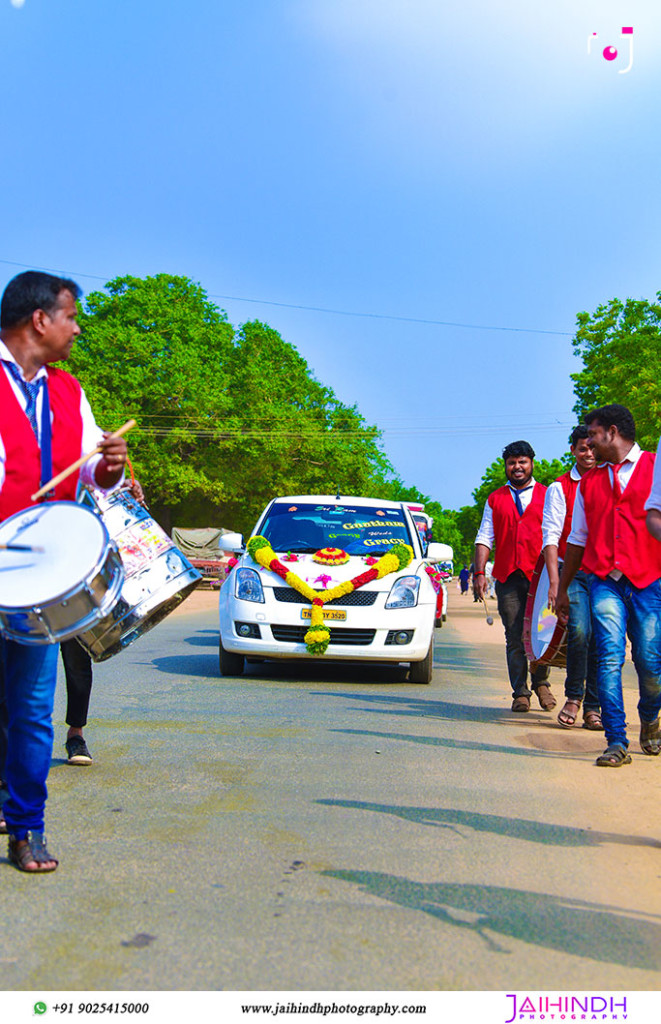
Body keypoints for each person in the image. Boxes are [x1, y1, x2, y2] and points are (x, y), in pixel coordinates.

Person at [0, 271, 127, 869]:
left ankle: (26, 827)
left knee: (28, 707)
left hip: (40, 581)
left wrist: (108, 468)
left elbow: (88, 477)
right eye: (71, 316)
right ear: (39, 321)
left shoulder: (68, 392)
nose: (77, 328)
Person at [556, 404, 661, 767]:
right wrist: (563, 588)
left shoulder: (655, 466)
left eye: (594, 432)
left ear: (612, 433)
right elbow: (577, 539)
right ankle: (616, 740)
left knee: (649, 661)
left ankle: (650, 716)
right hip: (604, 581)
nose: (589, 440)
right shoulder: (589, 482)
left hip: (649, 581)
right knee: (609, 656)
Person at [61, 477, 146, 766]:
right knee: (19, 668)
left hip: (79, 581)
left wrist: (129, 499)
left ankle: (76, 735)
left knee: (78, 664)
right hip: (33, 574)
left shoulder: (85, 461)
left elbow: (111, 500)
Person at [474, 440, 555, 713]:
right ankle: (520, 692)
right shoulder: (495, 499)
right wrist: (479, 573)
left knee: (543, 630)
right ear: (506, 467)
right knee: (514, 635)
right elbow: (485, 537)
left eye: (522, 462)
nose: (517, 467)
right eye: (511, 463)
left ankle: (542, 683)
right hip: (508, 576)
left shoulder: (549, 494)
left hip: (542, 576)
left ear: (532, 463)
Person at [542, 426, 602, 730]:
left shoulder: (609, 479)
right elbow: (551, 537)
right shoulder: (559, 488)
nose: (589, 454)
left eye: (593, 448)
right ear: (573, 451)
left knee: (601, 638)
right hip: (573, 571)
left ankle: (594, 705)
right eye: (582, 449)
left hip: (605, 572)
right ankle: (574, 697)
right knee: (579, 631)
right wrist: (555, 582)